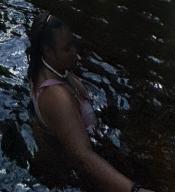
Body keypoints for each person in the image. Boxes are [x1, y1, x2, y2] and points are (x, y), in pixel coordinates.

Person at [28, 11, 155, 192]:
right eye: (67, 48)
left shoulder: (45, 69)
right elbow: (83, 157)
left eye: (73, 44)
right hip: (81, 176)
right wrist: (134, 190)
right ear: (48, 51)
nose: (74, 52)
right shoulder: (56, 96)